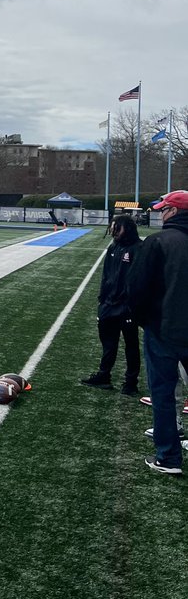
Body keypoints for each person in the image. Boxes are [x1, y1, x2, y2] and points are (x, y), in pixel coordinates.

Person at [127, 190, 188, 475]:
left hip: (164, 330)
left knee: (163, 394)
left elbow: (137, 289)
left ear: (173, 213)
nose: (160, 213)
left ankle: (168, 457)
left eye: (164, 209)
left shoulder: (158, 242)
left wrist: (144, 321)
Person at [80, 213, 141, 394]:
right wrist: (102, 299)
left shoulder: (138, 248)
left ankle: (130, 383)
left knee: (131, 345)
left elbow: (140, 280)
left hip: (127, 308)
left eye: (117, 228)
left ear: (127, 229)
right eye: (112, 227)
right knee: (108, 343)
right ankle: (104, 376)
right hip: (108, 305)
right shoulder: (113, 247)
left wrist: (133, 304)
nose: (113, 231)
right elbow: (106, 276)